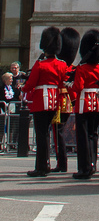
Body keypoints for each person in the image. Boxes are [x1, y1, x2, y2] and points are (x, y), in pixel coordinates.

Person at [23, 27, 68, 177]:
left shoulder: (40, 65)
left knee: (42, 135)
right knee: (52, 133)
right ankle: (53, 163)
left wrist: (22, 89)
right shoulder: (62, 65)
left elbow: (30, 84)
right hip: (56, 102)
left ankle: (42, 166)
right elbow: (64, 84)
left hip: (41, 102)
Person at [69, 28, 99, 180]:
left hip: (84, 104)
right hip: (97, 103)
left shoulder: (82, 68)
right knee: (93, 135)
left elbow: (77, 87)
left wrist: (68, 86)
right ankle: (92, 164)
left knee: (83, 136)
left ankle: (84, 168)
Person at [52, 27, 80, 174]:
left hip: (58, 103)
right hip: (66, 103)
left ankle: (61, 162)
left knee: (58, 133)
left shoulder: (60, 67)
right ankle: (61, 161)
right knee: (58, 133)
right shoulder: (70, 68)